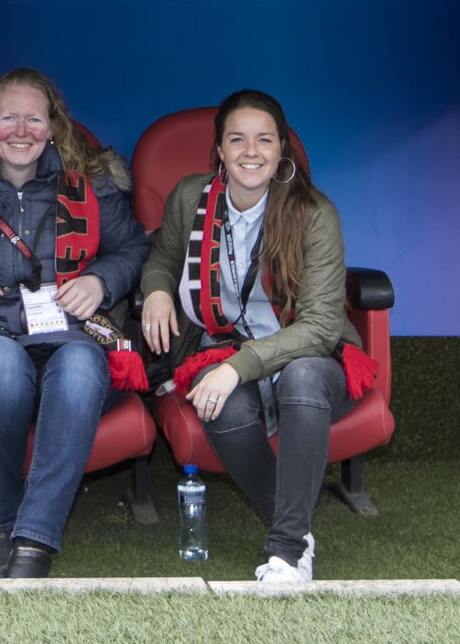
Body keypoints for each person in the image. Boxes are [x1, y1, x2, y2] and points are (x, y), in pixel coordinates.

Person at [0, 69, 149, 579]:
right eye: (9, 118)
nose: (22, 131)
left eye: (34, 119)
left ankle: (34, 542)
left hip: (68, 335)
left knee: (82, 363)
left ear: (54, 127)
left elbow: (133, 248)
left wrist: (102, 281)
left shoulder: (90, 182)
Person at [139, 90, 375, 585]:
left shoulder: (314, 213)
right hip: (221, 346)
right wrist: (158, 290)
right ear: (219, 151)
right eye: (237, 139)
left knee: (303, 377)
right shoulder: (190, 197)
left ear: (282, 149)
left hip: (309, 355)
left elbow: (320, 328)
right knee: (223, 406)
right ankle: (297, 526)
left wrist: (236, 368)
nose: (251, 151)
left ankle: (287, 552)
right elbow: (162, 257)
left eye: (264, 140)